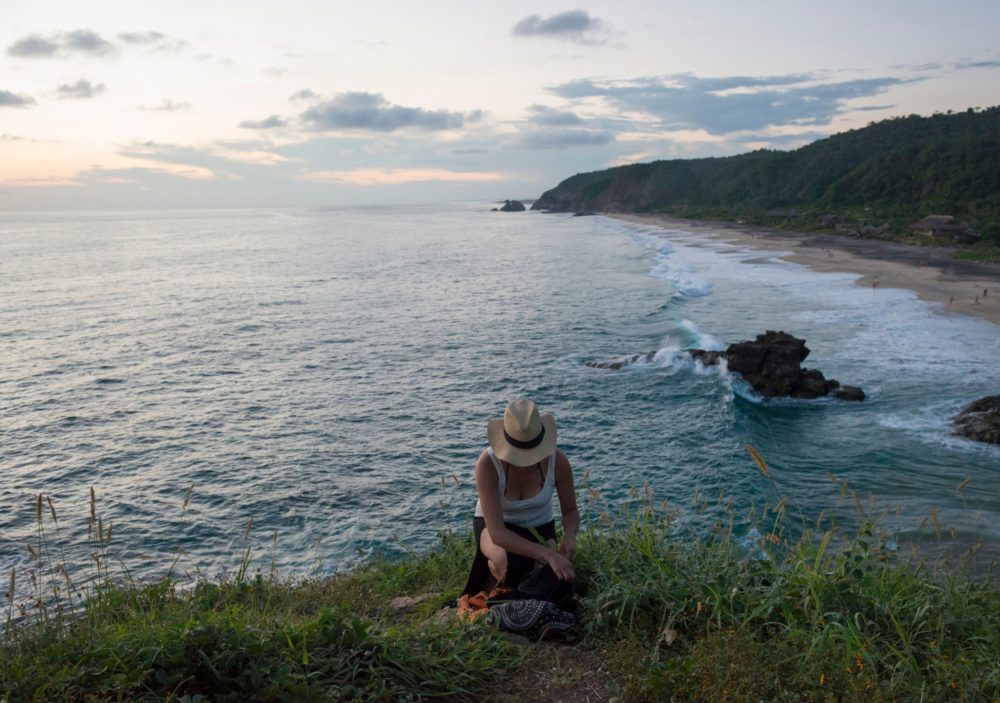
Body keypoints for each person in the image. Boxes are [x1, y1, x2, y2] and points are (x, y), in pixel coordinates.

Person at [462, 399, 579, 597]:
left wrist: (569, 536)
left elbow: (570, 511)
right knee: (504, 565)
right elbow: (497, 533)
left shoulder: (558, 462)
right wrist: (548, 553)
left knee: (551, 572)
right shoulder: (487, 464)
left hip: (539, 526)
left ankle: (511, 589)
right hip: (496, 527)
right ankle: (494, 578)